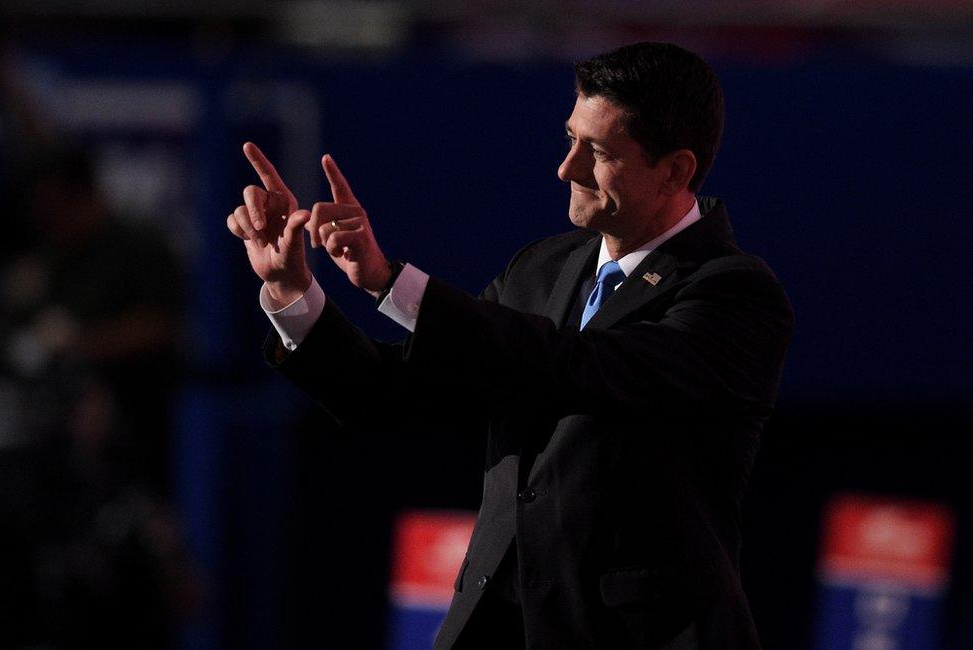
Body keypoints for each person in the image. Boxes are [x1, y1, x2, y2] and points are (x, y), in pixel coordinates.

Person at [227, 42, 793, 649]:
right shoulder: (540, 270)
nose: (566, 168)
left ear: (676, 170)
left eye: (596, 152)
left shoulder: (733, 293)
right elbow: (400, 395)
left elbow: (577, 366)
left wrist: (393, 283)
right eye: (569, 139)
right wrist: (294, 292)